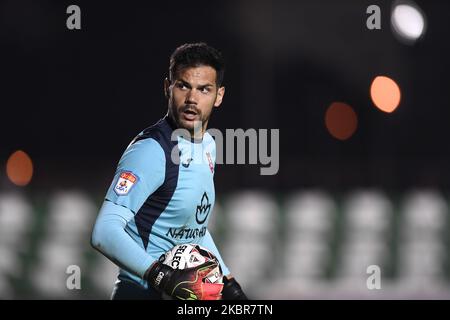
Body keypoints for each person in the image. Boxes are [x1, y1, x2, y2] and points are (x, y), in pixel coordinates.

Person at [91, 42, 247, 300]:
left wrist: (228, 282)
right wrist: (162, 276)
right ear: (168, 87)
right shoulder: (151, 151)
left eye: (204, 89)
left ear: (219, 96)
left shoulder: (208, 145)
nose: (192, 99)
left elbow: (190, 229)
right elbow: (104, 232)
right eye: (183, 85)